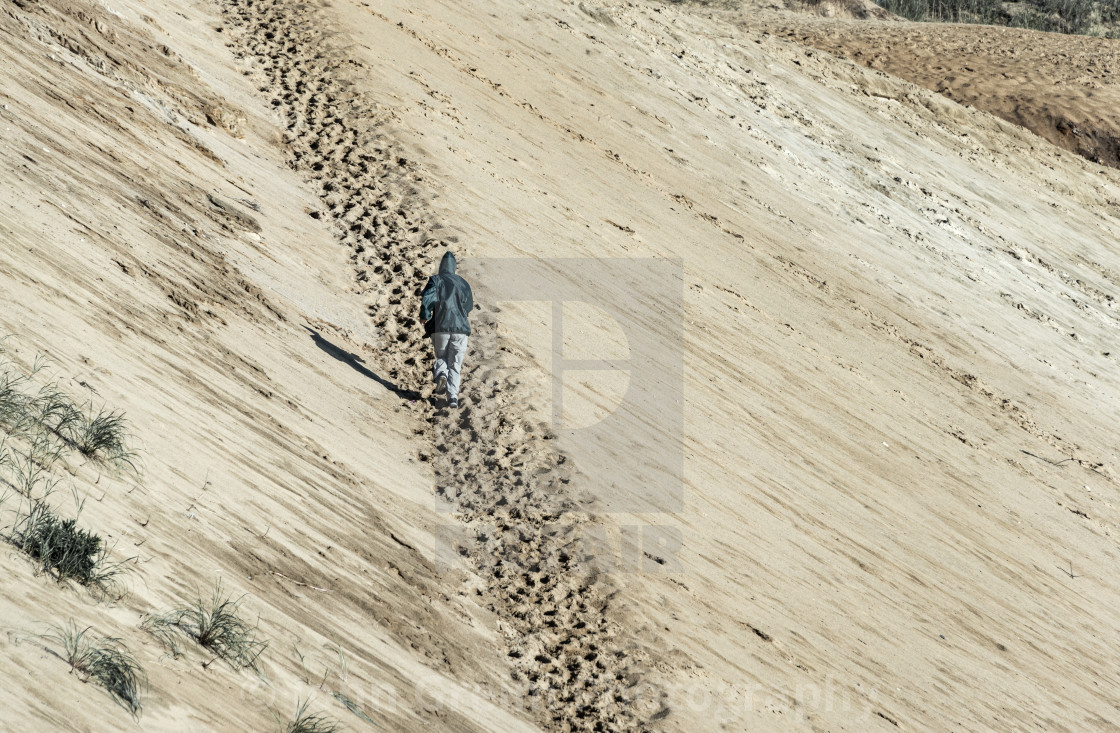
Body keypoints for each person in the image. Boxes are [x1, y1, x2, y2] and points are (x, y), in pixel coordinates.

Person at [419, 251, 473, 408]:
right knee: (456, 364)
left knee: (441, 357)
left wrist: (425, 315)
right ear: (454, 267)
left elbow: (427, 298)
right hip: (461, 330)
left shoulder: (436, 280)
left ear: (441, 266)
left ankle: (441, 374)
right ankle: (453, 399)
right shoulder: (463, 283)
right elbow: (468, 307)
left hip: (440, 327)